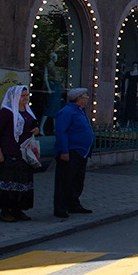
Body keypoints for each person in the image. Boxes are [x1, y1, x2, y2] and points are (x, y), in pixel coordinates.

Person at [0, 86, 39, 222]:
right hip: (9, 151)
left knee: (22, 182)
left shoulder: (27, 111)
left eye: (26, 95)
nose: (25, 98)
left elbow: (33, 123)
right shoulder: (6, 113)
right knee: (8, 182)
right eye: (22, 96)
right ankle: (5, 211)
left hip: (24, 153)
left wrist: (36, 129)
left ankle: (17, 209)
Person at [52, 87, 95, 218]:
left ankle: (73, 203)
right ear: (79, 98)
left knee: (77, 180)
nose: (87, 98)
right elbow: (61, 132)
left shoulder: (80, 111)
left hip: (82, 152)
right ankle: (60, 208)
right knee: (65, 180)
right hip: (71, 151)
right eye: (86, 96)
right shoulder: (67, 112)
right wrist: (64, 150)